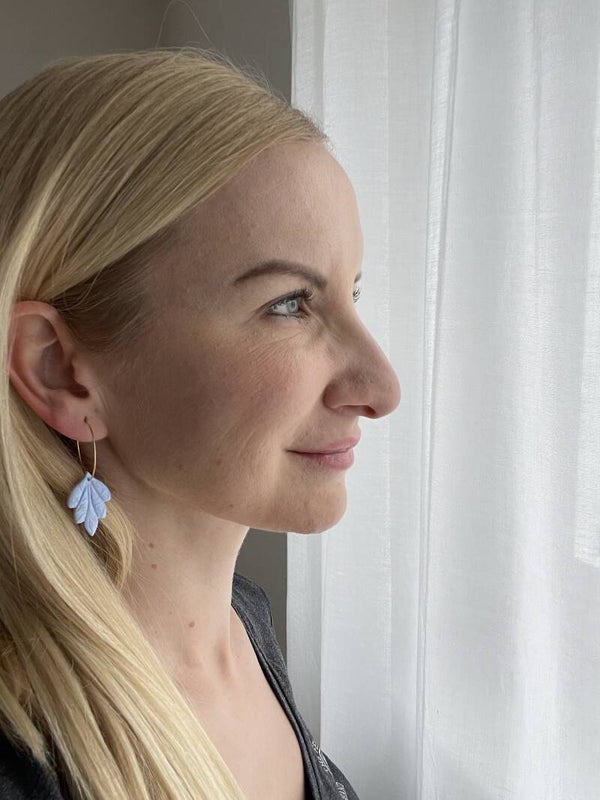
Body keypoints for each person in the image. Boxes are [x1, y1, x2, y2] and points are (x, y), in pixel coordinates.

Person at [0, 47, 401, 799]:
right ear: (60, 369)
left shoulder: (244, 622)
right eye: (289, 305)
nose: (381, 389)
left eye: (352, 293)